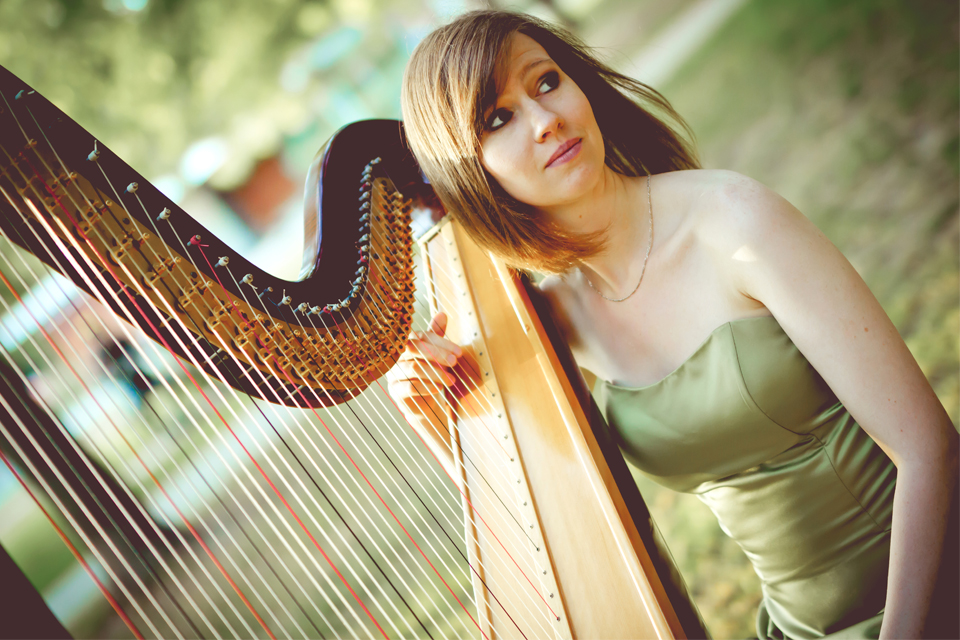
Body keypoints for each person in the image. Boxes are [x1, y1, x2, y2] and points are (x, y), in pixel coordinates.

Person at [387, 9, 959, 640]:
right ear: (473, 172)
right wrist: (446, 428)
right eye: (499, 119)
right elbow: (547, 532)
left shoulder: (732, 221)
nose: (545, 121)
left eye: (546, 82)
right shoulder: (556, 321)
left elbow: (929, 448)